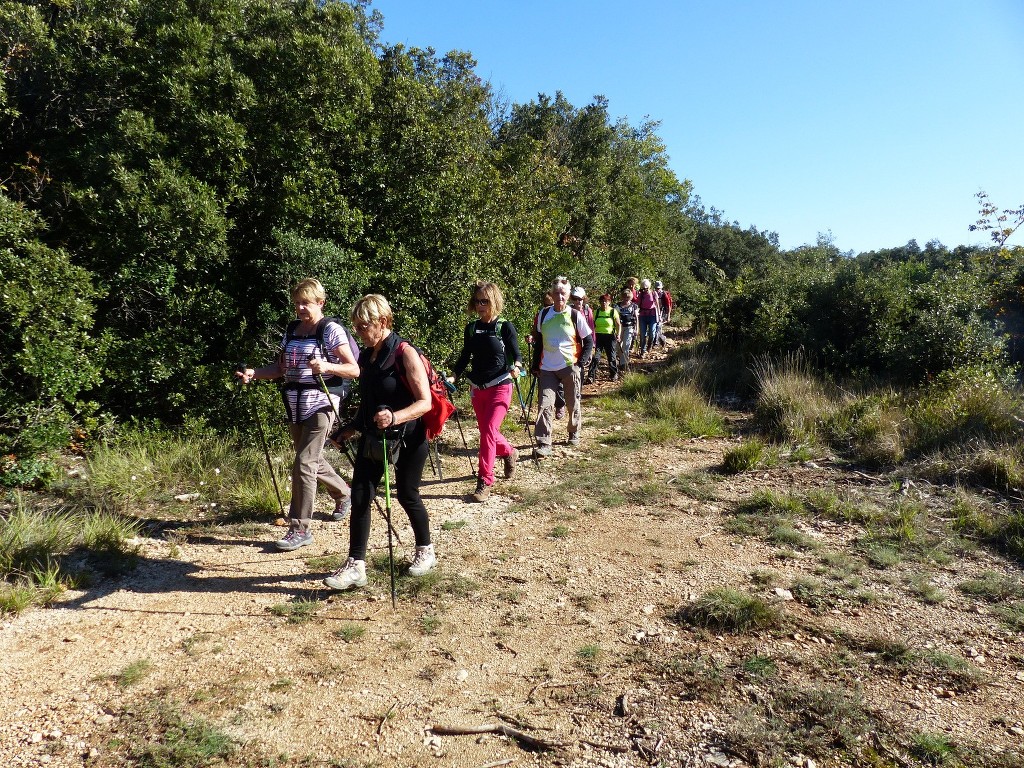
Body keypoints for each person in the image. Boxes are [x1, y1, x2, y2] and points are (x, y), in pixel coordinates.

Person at [236, 279, 358, 551]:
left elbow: (353, 369)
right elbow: (280, 369)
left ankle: (300, 527)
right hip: (294, 402)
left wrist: (326, 365)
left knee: (304, 462)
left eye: (306, 303)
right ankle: (344, 492)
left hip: (322, 402)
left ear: (320, 302)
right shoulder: (292, 330)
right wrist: (254, 374)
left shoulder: (331, 330)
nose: (301, 308)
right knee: (309, 458)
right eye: (297, 303)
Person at [324, 294, 435, 590]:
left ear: (382, 322)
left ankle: (425, 551)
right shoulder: (368, 355)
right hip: (375, 437)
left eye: (363, 327)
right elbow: (369, 402)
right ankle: (355, 566)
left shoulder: (404, 352)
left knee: (407, 495)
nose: (358, 333)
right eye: (356, 327)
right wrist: (350, 428)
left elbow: (425, 403)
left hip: (409, 437)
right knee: (360, 494)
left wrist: (394, 417)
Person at [450, 281, 523, 503]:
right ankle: (509, 451)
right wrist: (454, 375)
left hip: (501, 385)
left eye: (485, 301)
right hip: (477, 388)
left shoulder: (504, 327)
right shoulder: (471, 328)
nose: (480, 305)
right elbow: (465, 356)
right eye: (477, 301)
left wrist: (517, 367)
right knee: (487, 433)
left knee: (489, 430)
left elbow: (517, 354)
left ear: (494, 301)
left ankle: (485, 480)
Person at [531, 276, 593, 456]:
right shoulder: (544, 314)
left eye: (563, 293)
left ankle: (574, 431)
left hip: (569, 366)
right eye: (556, 293)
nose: (560, 296)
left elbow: (588, 341)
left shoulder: (575, 315)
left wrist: (579, 365)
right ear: (551, 294)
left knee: (573, 403)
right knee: (545, 404)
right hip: (547, 368)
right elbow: (540, 343)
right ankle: (544, 442)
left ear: (568, 295)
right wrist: (536, 365)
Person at [588, 293, 621, 383]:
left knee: (611, 356)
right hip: (598, 336)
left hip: (610, 336)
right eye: (602, 301)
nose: (604, 303)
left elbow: (618, 324)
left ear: (609, 302)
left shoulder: (613, 311)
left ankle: (614, 374)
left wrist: (618, 334)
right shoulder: (596, 312)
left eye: (606, 301)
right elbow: (592, 325)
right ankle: (591, 376)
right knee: (596, 357)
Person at [616, 288, 639, 373]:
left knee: (626, 345)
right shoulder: (617, 306)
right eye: (625, 297)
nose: (626, 299)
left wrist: (637, 329)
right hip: (619, 327)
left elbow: (636, 318)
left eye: (628, 297)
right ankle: (618, 360)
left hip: (629, 327)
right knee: (618, 346)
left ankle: (623, 364)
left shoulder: (634, 306)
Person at [637, 278, 660, 357]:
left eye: (646, 288)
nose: (645, 290)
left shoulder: (654, 293)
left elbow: (657, 305)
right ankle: (642, 351)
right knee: (642, 334)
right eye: (643, 288)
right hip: (643, 315)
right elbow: (638, 305)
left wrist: (659, 316)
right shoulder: (641, 294)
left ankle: (649, 346)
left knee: (652, 334)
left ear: (649, 287)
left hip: (652, 315)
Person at [655, 280, 673, 348]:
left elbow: (668, 305)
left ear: (661, 288)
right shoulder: (654, 294)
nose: (658, 290)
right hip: (656, 312)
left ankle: (657, 342)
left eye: (659, 288)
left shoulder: (664, 294)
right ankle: (662, 339)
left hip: (663, 312)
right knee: (657, 327)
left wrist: (668, 316)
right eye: (656, 288)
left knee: (658, 326)